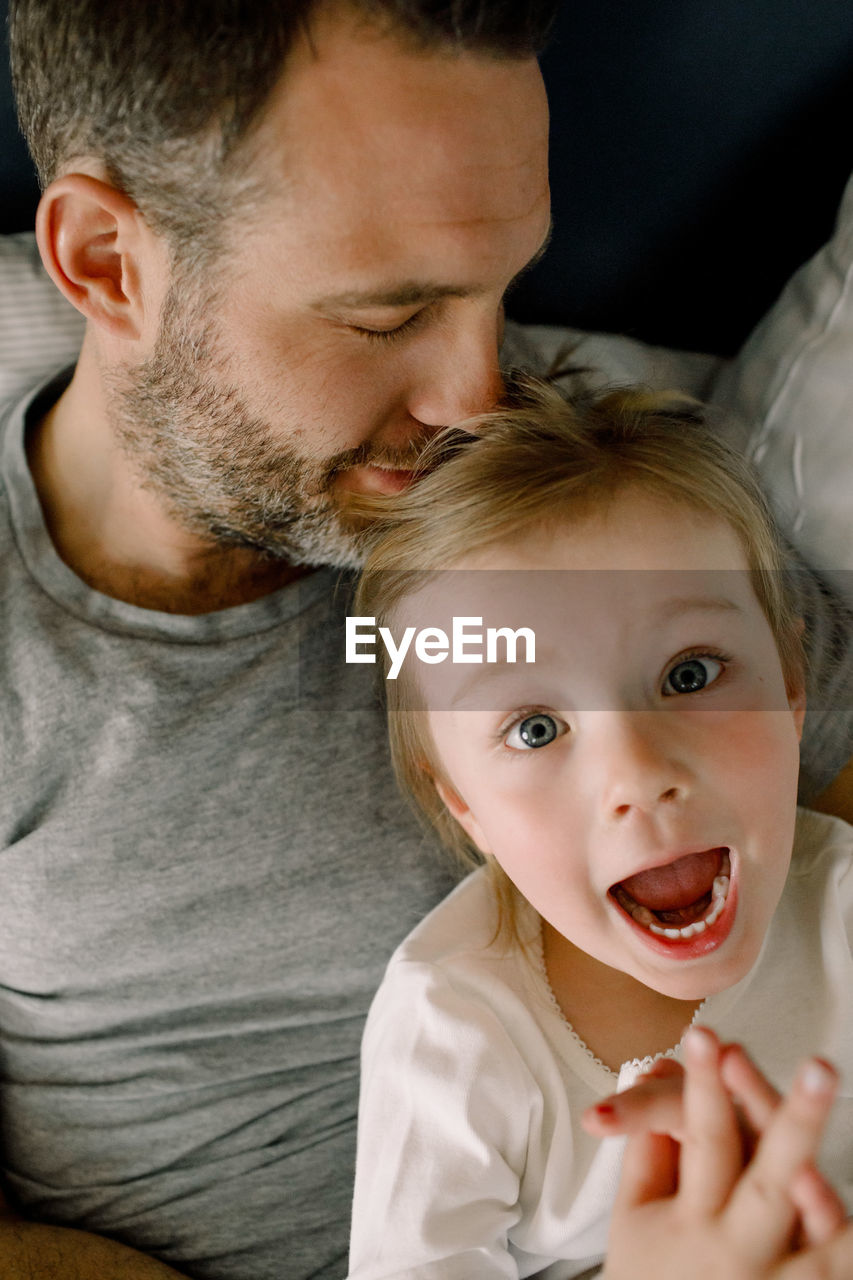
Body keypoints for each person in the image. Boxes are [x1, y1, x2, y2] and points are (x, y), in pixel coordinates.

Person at [2, 2, 852, 1278]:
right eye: (388, 317)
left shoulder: (575, 490)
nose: (474, 400)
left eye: (501, 293)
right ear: (110, 262)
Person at [347, 378, 853, 1278]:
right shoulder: (460, 1025)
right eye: (534, 729)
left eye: (691, 674)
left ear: (786, 685)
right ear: (464, 805)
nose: (640, 776)